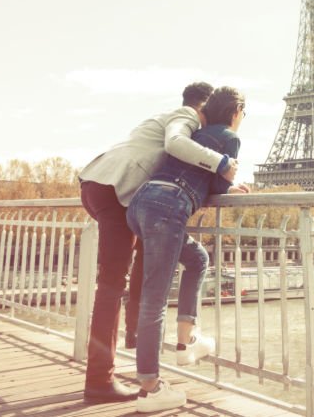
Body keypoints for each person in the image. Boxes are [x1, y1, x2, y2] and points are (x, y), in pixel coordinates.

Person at [78, 82, 238, 404]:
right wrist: (222, 164)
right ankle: (100, 379)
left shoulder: (161, 119)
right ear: (203, 107)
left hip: (110, 188)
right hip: (115, 189)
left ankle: (134, 340)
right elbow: (177, 143)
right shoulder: (186, 115)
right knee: (112, 285)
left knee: (130, 270)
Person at [126, 86, 248, 412]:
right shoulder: (229, 137)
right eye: (243, 114)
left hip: (141, 204)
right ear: (236, 112)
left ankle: (186, 341)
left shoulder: (197, 132)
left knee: (197, 258)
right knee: (154, 300)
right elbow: (218, 182)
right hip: (168, 207)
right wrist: (231, 187)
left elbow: (199, 172)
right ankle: (149, 388)